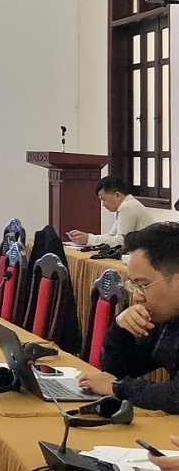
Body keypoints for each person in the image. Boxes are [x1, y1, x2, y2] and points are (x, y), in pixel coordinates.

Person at [77, 222, 179, 413]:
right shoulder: (164, 316)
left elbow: (175, 396)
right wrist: (120, 329)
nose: (137, 297)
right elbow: (117, 370)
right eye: (133, 286)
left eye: (143, 285)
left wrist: (118, 388)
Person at [67, 175, 154, 247]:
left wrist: (88, 239)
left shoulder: (127, 207)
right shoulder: (126, 205)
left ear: (117, 195)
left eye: (104, 199)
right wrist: (87, 237)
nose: (103, 204)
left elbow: (121, 242)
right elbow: (112, 236)